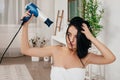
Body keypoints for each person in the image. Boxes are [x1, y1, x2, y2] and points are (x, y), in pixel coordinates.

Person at [21, 11, 116, 80]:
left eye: (76, 37)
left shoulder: (86, 57)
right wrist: (25, 25)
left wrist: (91, 37)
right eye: (69, 34)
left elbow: (111, 58)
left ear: (82, 38)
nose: (71, 40)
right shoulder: (56, 50)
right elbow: (25, 50)